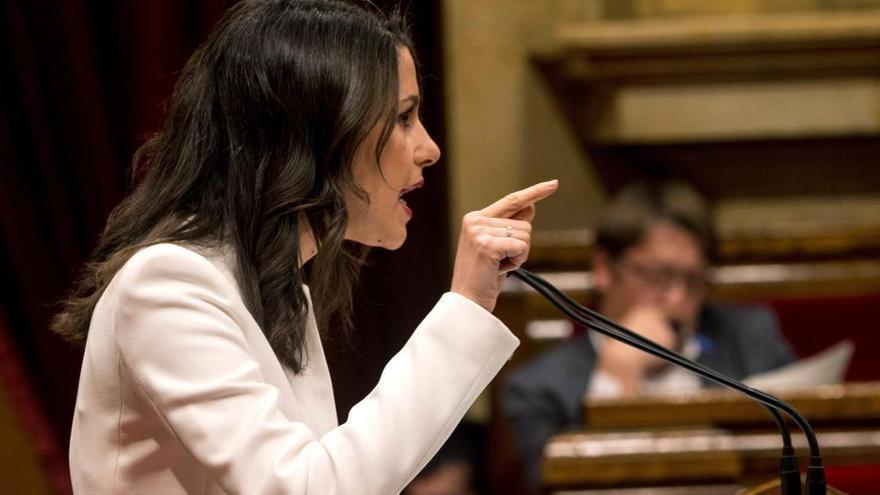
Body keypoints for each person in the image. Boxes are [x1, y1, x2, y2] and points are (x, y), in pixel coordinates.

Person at [51, 1, 558, 493]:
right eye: (404, 118)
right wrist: (466, 304)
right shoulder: (167, 285)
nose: (429, 148)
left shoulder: (279, 284)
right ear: (318, 133)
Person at [501, 180, 794, 491]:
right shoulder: (538, 388)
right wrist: (618, 375)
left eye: (693, 280)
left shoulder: (752, 340)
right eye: (659, 277)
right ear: (604, 269)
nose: (677, 297)